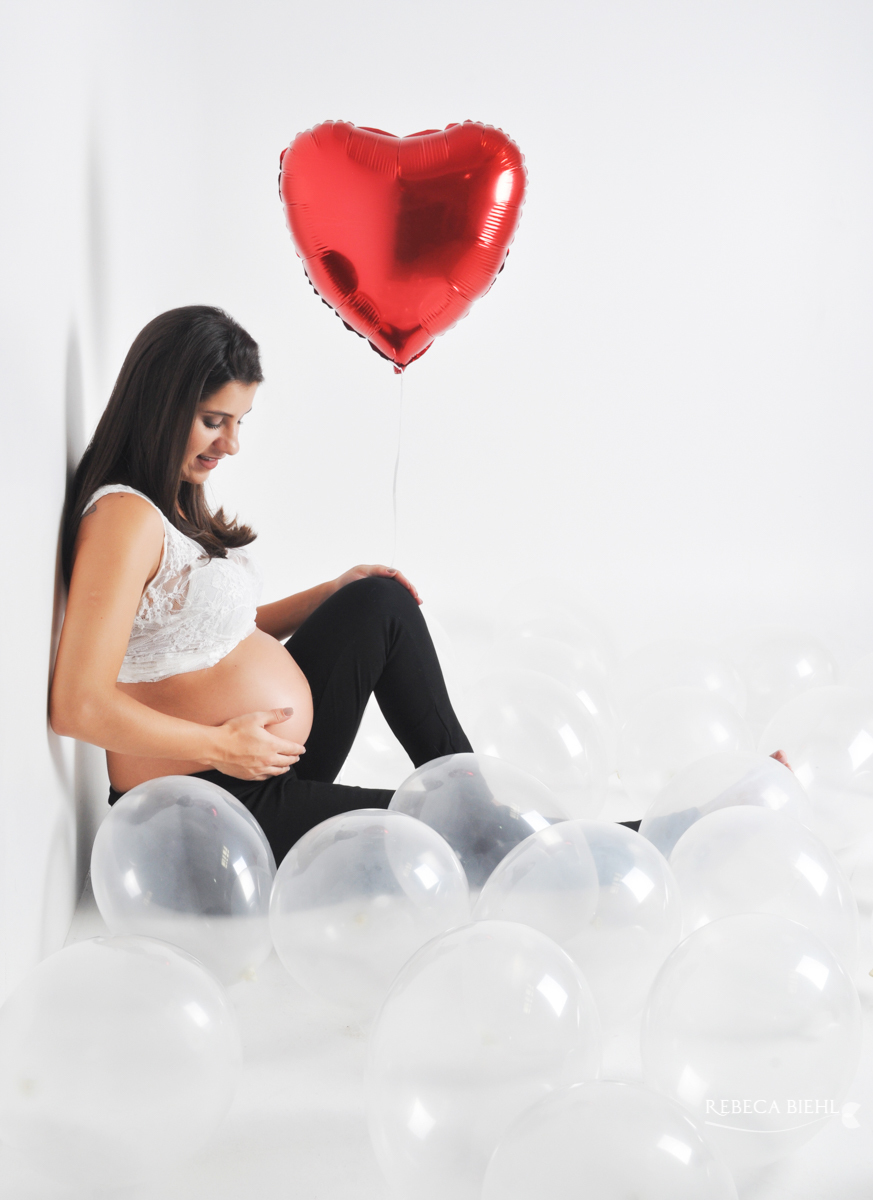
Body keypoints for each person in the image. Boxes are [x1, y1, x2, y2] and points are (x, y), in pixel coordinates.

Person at [50, 305, 473, 865]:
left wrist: (330, 594)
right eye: (213, 420)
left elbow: (206, 640)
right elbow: (77, 705)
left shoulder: (169, 500)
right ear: (160, 406)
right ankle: (504, 831)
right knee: (438, 828)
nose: (230, 444)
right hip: (200, 809)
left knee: (379, 602)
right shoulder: (123, 519)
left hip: (254, 763)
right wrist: (221, 745)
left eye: (239, 422)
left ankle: (478, 803)